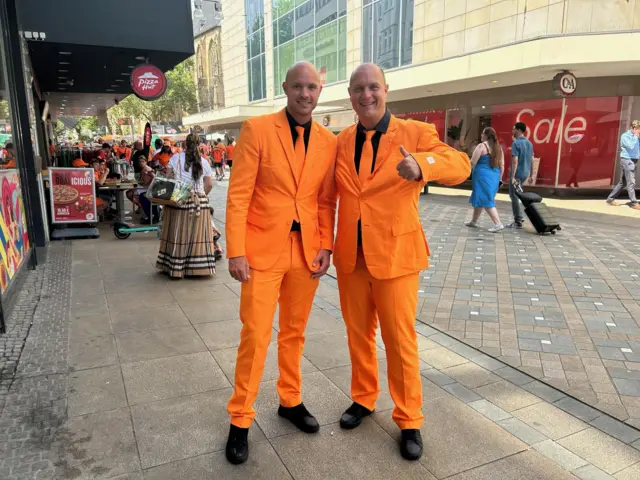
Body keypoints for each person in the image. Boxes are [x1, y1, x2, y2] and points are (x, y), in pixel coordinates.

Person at [333, 64, 470, 461]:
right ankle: (363, 398)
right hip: (351, 256)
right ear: (350, 95)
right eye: (358, 89)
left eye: (373, 87)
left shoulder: (413, 133)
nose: (366, 95)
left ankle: (409, 419)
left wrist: (424, 167)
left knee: (399, 339)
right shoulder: (342, 140)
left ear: (386, 90)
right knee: (358, 335)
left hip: (396, 255)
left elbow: (459, 164)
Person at [224, 61, 337, 465]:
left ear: (319, 90)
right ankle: (240, 419)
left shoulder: (328, 140)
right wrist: (236, 250)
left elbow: (325, 200)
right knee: (255, 334)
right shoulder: (257, 130)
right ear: (285, 88)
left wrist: (326, 243)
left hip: (306, 250)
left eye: (312, 87)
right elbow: (239, 195)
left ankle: (290, 401)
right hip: (261, 249)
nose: (305, 94)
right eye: (298, 87)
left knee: (294, 333)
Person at [156, 133, 216, 278]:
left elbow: (169, 179)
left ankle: (176, 268)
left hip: (179, 200)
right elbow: (208, 185)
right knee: (197, 235)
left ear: (185, 144)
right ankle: (197, 268)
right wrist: (201, 196)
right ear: (199, 144)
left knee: (178, 233)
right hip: (200, 202)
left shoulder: (175, 158)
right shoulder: (204, 162)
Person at [465, 127, 505, 232]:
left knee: (486, 199)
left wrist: (465, 171)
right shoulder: (498, 148)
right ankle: (474, 221)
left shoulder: (481, 146)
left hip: (482, 176)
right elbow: (502, 165)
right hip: (494, 177)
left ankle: (498, 223)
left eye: (482, 133)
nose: (481, 135)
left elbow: (473, 162)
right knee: (481, 197)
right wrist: (500, 178)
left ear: (486, 135)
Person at [607, 120, 640, 210]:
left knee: (623, 182)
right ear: (632, 128)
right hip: (627, 160)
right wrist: (636, 136)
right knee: (631, 182)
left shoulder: (637, 137)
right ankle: (633, 202)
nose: (639, 131)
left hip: (634, 160)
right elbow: (630, 147)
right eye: (638, 129)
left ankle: (610, 199)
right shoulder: (625, 136)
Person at [508, 122, 533, 228]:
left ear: (518, 130)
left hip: (517, 173)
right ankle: (520, 217)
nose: (512, 131)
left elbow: (515, 161)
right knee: (518, 195)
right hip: (525, 173)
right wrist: (531, 174)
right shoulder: (529, 143)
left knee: (514, 196)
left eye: (514, 129)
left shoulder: (516, 143)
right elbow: (532, 160)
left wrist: (512, 176)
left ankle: (518, 220)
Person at [137, 156, 159, 224]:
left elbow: (154, 177)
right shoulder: (143, 169)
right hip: (145, 188)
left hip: (150, 190)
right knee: (139, 196)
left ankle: (150, 217)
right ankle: (151, 215)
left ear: (146, 162)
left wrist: (150, 183)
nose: (141, 163)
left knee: (142, 197)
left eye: (143, 161)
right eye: (140, 162)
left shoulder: (148, 169)